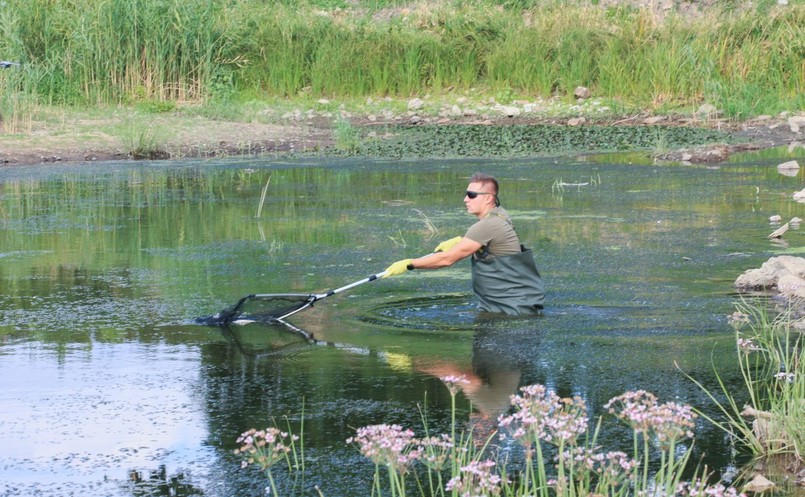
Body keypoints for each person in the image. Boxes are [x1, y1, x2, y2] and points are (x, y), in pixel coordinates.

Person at [384, 172, 545, 315]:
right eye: (466, 194)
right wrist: (461, 241)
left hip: (510, 310)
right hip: (512, 304)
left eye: (471, 195)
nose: (465, 199)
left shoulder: (486, 226)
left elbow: (447, 259)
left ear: (489, 198)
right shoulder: (501, 215)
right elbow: (495, 242)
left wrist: (409, 264)